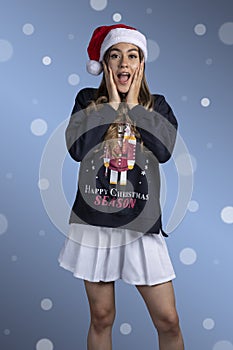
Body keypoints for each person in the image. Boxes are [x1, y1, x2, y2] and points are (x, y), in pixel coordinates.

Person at [58, 24, 185, 350]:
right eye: (115, 56)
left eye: (132, 56)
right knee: (102, 317)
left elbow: (163, 151)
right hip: (94, 223)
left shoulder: (157, 106)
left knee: (168, 321)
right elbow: (77, 150)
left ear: (141, 63)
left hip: (140, 224)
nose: (124, 64)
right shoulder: (87, 100)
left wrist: (134, 108)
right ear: (105, 63)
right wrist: (113, 106)